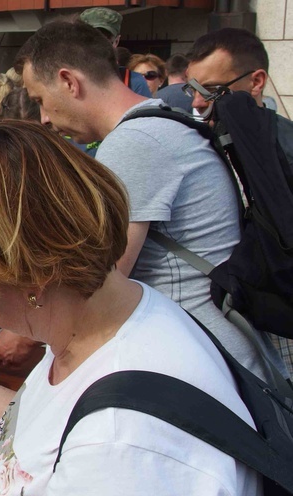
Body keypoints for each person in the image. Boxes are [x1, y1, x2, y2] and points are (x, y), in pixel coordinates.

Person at [0, 121, 261, 495]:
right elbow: (44, 431)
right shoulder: (109, 319)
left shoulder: (120, 447)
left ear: (29, 275)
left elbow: (95, 442)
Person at [16, 20, 288, 384]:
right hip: (213, 349)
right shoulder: (165, 119)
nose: (44, 117)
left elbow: (101, 280)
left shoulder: (136, 140)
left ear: (69, 81)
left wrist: (19, 330)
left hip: (203, 362)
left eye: (40, 100)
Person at [186, 27, 293, 376]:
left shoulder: (286, 146)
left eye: (213, 91)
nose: (198, 102)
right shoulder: (202, 142)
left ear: (256, 81)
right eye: (193, 89)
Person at [79, 7, 152, 98]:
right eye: (90, 39)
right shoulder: (64, 79)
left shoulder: (133, 82)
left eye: (105, 40)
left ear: (116, 41)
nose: (97, 46)